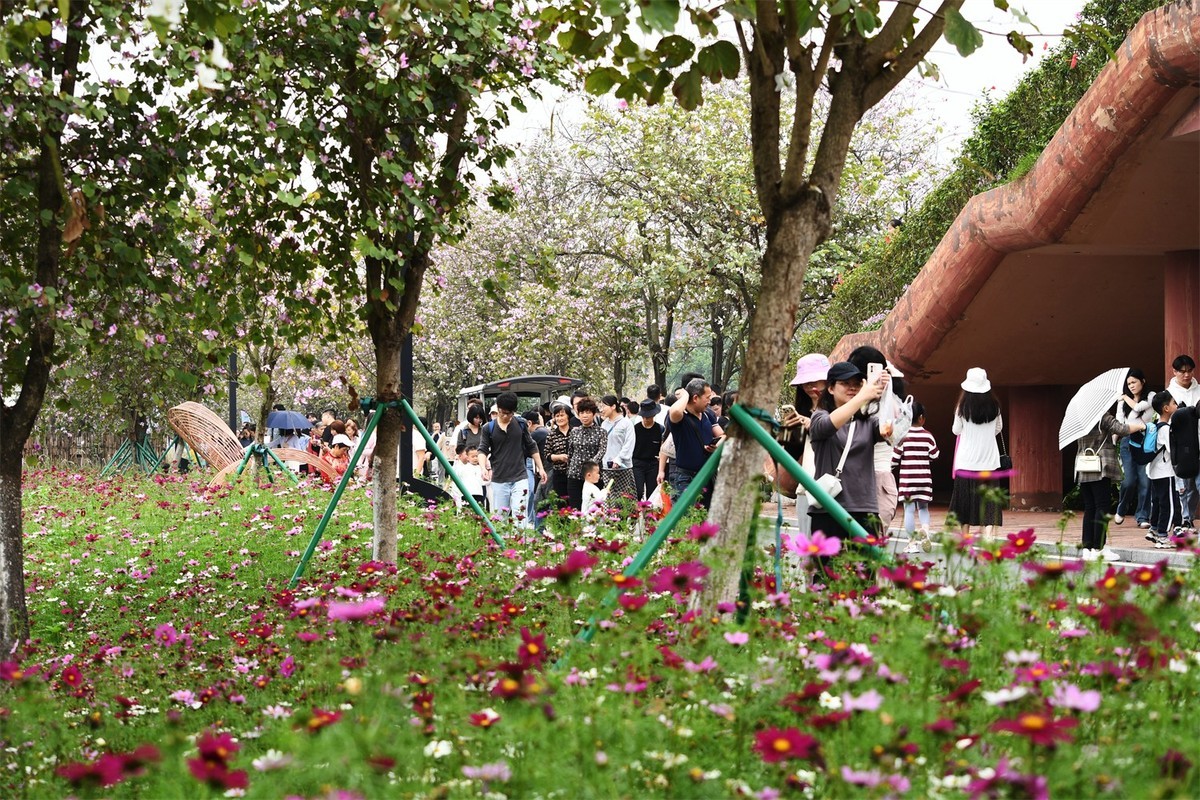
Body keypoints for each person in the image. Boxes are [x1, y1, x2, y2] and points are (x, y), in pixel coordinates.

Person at [808, 361, 890, 543]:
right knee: (825, 570)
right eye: (845, 383)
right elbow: (828, 425)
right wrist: (862, 397)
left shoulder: (868, 421)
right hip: (828, 507)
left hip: (864, 507)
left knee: (866, 570)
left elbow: (891, 427)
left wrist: (887, 392)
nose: (852, 388)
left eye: (857, 384)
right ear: (830, 388)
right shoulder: (819, 417)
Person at [1071, 403, 1144, 562]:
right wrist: (1139, 426)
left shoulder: (1079, 420)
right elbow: (1121, 429)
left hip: (1083, 466)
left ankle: (1087, 549)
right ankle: (1099, 548)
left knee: (1090, 507)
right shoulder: (1101, 415)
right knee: (1101, 507)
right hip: (1099, 466)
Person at [848, 346, 906, 530]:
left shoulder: (891, 401)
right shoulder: (850, 402)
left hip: (878, 476)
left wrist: (889, 389)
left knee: (871, 543)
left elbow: (895, 432)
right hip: (854, 477)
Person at [773, 353, 830, 534]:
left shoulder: (839, 410)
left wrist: (813, 423)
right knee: (808, 548)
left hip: (834, 486)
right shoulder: (800, 411)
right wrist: (787, 432)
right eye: (805, 382)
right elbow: (789, 454)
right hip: (806, 486)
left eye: (816, 380)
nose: (810, 386)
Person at [949, 367, 1004, 539]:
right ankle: (988, 535)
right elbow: (998, 428)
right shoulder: (995, 406)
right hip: (989, 461)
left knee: (964, 501)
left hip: (966, 461)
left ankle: (965, 536)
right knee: (988, 502)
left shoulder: (962, 407)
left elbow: (956, 430)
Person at [477, 392, 546, 524]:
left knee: (520, 515)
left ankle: (520, 543)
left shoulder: (521, 424)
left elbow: (532, 446)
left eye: (509, 413)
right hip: (499, 478)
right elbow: (482, 449)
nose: (505, 416)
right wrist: (483, 468)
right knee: (500, 517)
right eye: (502, 412)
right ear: (497, 409)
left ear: (513, 412)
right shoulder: (488, 428)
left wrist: (541, 468)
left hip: (520, 477)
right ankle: (501, 544)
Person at [664, 378, 724, 505]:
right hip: (685, 478)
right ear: (695, 398)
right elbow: (674, 411)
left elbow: (724, 436)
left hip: (707, 476)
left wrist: (716, 446)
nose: (710, 401)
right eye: (707, 397)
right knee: (686, 519)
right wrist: (685, 394)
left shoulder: (708, 415)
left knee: (706, 519)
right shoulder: (681, 417)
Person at [892, 402, 940, 554]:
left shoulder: (903, 436)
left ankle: (912, 543)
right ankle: (925, 529)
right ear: (921, 418)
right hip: (924, 480)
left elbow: (895, 459)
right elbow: (935, 455)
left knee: (908, 510)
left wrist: (889, 468)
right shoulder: (928, 436)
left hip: (907, 481)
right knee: (924, 508)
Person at [1114, 368, 1155, 528]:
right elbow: (1119, 422)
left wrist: (1124, 397)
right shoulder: (1122, 402)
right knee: (1129, 480)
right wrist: (1113, 441)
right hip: (1128, 442)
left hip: (1146, 441)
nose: (1131, 386)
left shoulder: (1151, 396)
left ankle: (1143, 516)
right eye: (1128, 383)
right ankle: (1122, 508)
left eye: (1134, 382)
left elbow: (1138, 408)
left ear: (1142, 381)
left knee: (1145, 480)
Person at [1165, 354, 1199, 527]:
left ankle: (1189, 517)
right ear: (1175, 371)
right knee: (1184, 486)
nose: (1186, 375)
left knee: (1196, 486)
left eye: (1190, 371)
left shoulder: (1199, 390)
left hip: (1198, 443)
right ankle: (1184, 518)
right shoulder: (1168, 394)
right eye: (1182, 371)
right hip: (1180, 446)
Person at [1147, 392, 1183, 548]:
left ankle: (1154, 529)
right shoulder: (1165, 429)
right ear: (1166, 408)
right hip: (1165, 472)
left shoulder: (1155, 425)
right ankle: (1162, 536)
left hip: (1154, 471)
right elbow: (1172, 451)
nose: (1176, 406)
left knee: (1158, 502)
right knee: (1168, 504)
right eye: (1174, 403)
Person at [567, 397, 607, 511]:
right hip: (574, 475)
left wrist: (589, 467)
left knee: (594, 509)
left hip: (593, 476)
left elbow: (602, 451)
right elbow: (570, 452)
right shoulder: (574, 431)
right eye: (582, 412)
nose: (585, 415)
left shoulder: (601, 432)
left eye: (588, 412)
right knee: (575, 509)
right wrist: (569, 469)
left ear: (593, 414)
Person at [598, 395, 636, 502]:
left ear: (613, 406)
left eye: (604, 406)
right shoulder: (604, 424)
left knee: (624, 500)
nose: (602, 409)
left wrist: (619, 459)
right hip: (607, 468)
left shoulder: (626, 423)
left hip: (624, 468)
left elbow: (629, 444)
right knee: (608, 500)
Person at [632, 399, 664, 502]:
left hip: (653, 464)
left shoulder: (660, 429)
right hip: (637, 463)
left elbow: (662, 447)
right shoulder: (635, 429)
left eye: (648, 417)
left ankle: (650, 516)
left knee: (652, 493)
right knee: (637, 491)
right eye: (644, 417)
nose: (646, 419)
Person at [543, 404, 573, 509]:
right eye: (557, 416)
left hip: (574, 475)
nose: (559, 418)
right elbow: (547, 455)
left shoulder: (575, 432)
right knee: (561, 504)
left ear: (568, 416)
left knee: (574, 503)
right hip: (559, 474)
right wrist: (559, 457)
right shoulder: (551, 435)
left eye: (562, 415)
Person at [454, 444, 487, 511]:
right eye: (473, 456)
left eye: (476, 456)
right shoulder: (463, 468)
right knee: (467, 513)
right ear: (468, 457)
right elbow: (456, 476)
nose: (475, 458)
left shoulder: (481, 468)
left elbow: (484, 483)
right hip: (467, 494)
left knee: (479, 513)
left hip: (479, 494)